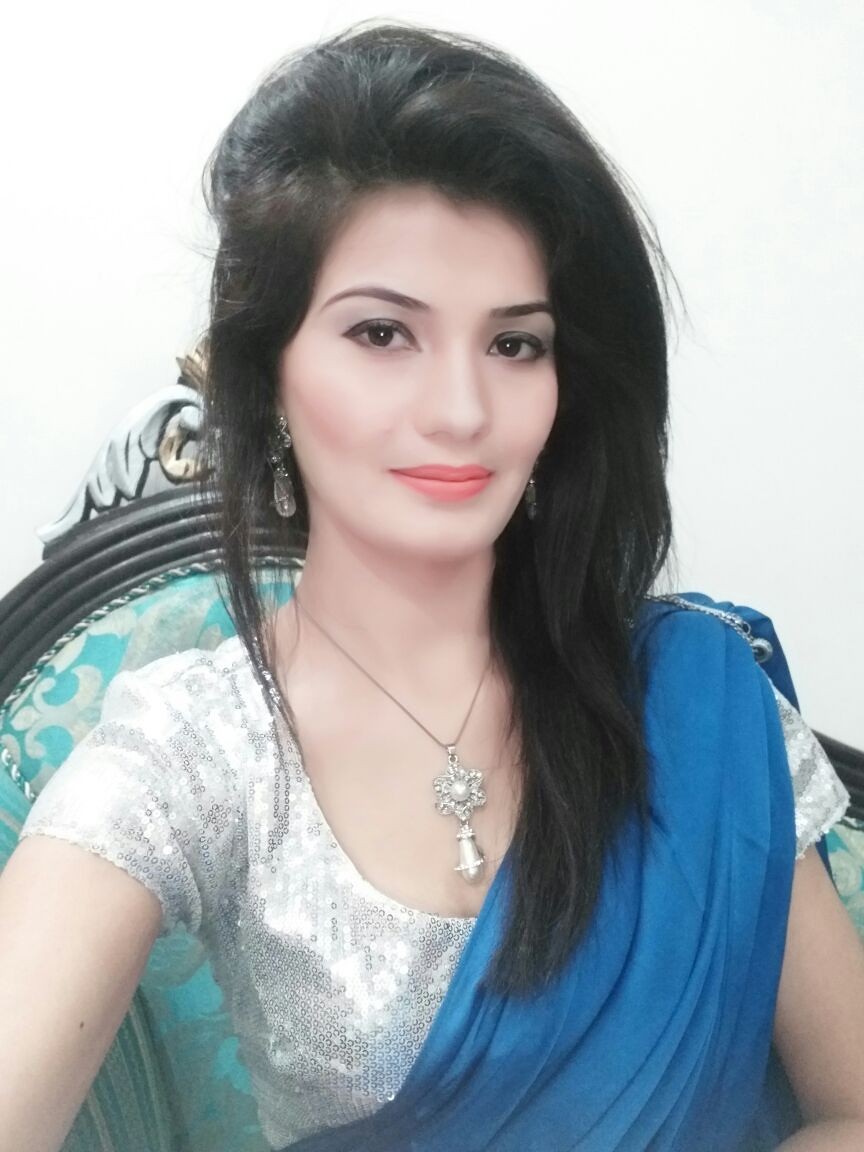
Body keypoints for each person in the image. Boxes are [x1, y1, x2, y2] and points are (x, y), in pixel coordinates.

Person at [1, 18, 863, 1152]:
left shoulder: (694, 702)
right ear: (270, 375)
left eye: (515, 345)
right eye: (381, 333)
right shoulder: (195, 753)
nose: (461, 410)